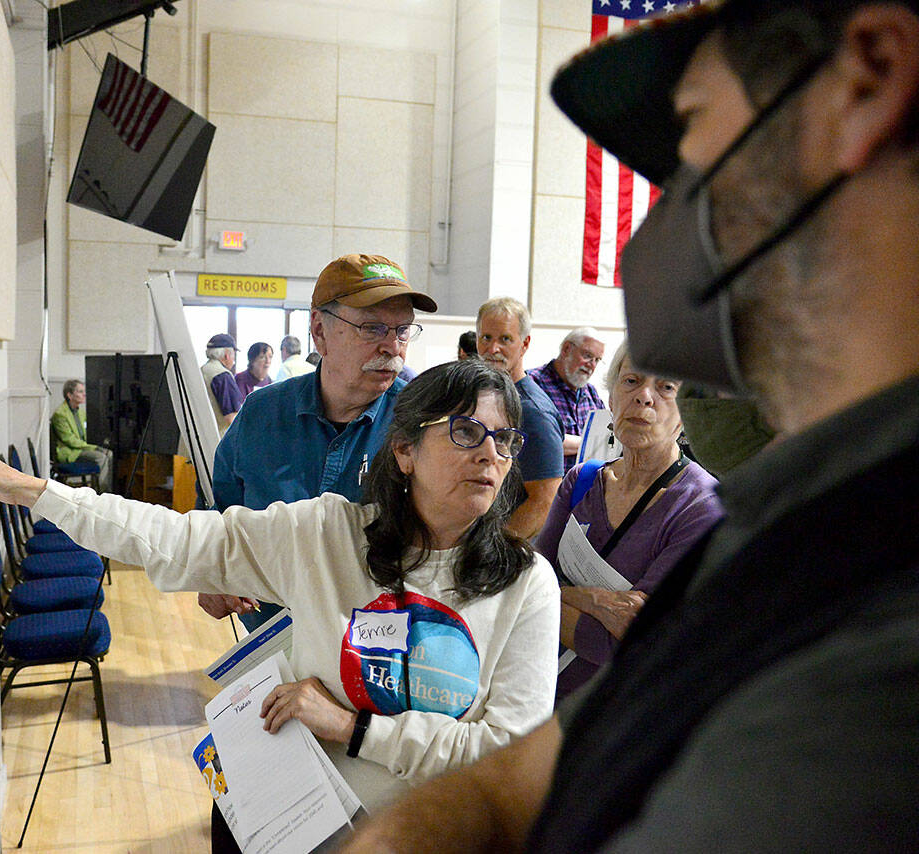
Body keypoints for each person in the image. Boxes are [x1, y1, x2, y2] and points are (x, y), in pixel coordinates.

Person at [342, 2, 919, 851]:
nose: (666, 208)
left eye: (688, 127)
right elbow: (524, 782)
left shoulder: (875, 679)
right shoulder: (798, 528)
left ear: (866, 79)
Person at [0, 360, 560, 821]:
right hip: (297, 812)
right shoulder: (326, 533)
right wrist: (39, 493)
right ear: (404, 451)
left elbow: (507, 753)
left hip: (430, 831)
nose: (490, 454)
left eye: (504, 439)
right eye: (464, 431)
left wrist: (352, 727)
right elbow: (178, 539)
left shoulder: (525, 583)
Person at [199, 254, 438, 632]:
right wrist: (211, 574)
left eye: (403, 330)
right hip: (270, 641)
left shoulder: (420, 426)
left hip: (375, 649)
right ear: (320, 330)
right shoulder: (261, 414)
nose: (393, 347)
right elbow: (219, 516)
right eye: (373, 328)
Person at [536, 341, 723, 699]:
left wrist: (549, 600)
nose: (644, 397)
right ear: (611, 398)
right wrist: (594, 602)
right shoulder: (582, 481)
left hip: (610, 715)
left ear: (686, 411)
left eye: (666, 387)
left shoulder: (700, 507)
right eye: (631, 381)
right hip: (536, 696)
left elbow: (619, 643)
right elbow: (525, 585)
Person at [475, 297, 564, 539]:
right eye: (486, 338)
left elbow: (545, 501)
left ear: (524, 344)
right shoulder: (487, 397)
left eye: (505, 339)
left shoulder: (533, 412)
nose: (493, 349)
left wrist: (494, 551)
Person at [526, 328, 607, 468]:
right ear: (566, 349)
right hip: (546, 485)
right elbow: (539, 441)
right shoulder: (532, 384)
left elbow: (606, 441)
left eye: (597, 360)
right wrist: (591, 444)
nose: (591, 365)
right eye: (587, 356)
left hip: (587, 484)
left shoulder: (591, 393)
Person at [50, 379, 113, 492]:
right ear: (70, 395)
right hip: (70, 451)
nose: (84, 394)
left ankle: (108, 489)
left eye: (84, 391)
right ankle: (103, 492)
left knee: (110, 453)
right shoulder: (60, 414)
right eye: (80, 391)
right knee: (102, 457)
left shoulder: (81, 412)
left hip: (80, 448)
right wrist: (93, 447)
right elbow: (69, 440)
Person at [201, 332, 244, 434]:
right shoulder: (222, 376)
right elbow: (231, 418)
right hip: (218, 439)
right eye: (234, 354)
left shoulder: (201, 371)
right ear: (226, 355)